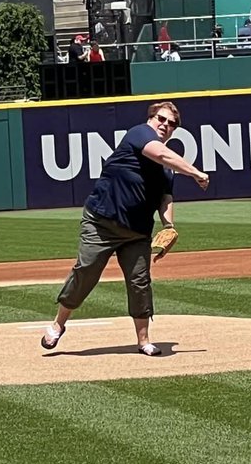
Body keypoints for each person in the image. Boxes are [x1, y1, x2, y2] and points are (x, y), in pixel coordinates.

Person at [41, 102, 211, 358]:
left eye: (171, 123)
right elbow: (161, 154)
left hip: (137, 232)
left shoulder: (167, 171)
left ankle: (144, 341)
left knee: (139, 282)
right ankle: (58, 324)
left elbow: (165, 198)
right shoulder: (139, 133)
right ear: (151, 119)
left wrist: (169, 226)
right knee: (86, 271)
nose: (165, 125)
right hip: (101, 223)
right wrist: (196, 172)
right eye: (161, 119)